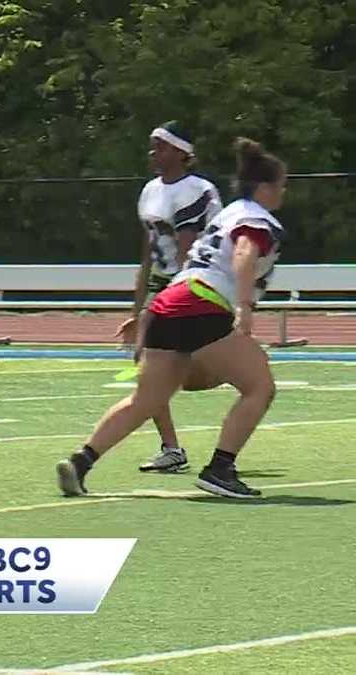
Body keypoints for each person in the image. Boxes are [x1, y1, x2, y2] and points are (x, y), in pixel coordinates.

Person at [59, 138, 286, 499]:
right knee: (260, 387)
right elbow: (244, 254)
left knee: (146, 399)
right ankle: (220, 469)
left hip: (171, 300)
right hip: (203, 304)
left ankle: (81, 461)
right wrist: (243, 306)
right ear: (264, 187)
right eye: (280, 186)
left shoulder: (229, 213)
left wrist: (146, 315)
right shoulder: (256, 219)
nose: (282, 194)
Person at [117, 121, 222, 473]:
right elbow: (148, 254)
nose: (152, 152)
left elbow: (187, 252)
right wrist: (137, 309)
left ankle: (247, 381)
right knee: (149, 366)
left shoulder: (195, 190)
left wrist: (166, 305)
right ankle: (171, 447)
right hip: (164, 286)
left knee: (206, 366)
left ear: (181, 152)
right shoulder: (149, 190)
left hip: (197, 285)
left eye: (160, 146)